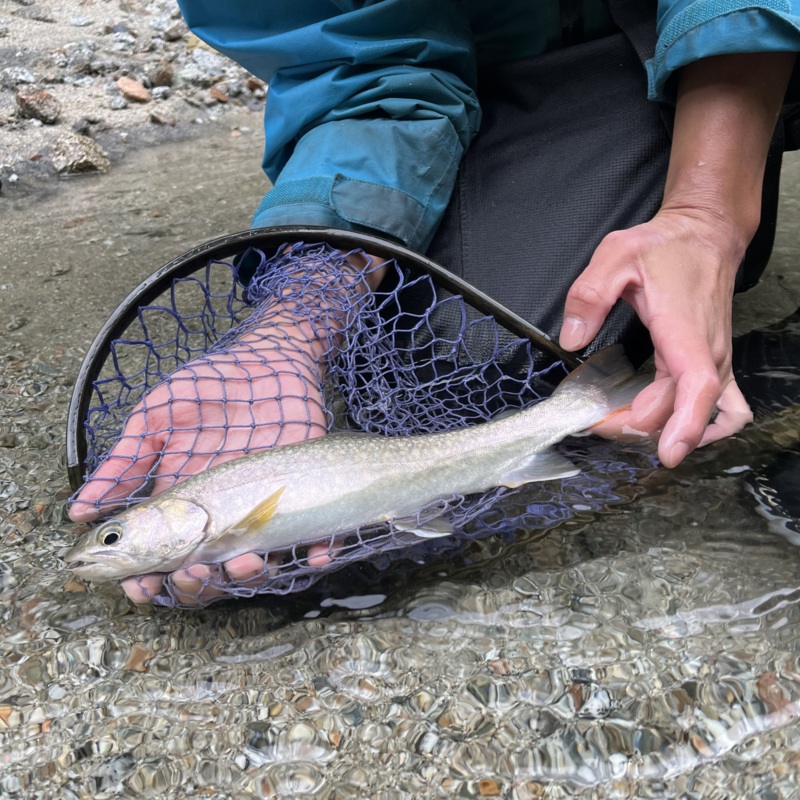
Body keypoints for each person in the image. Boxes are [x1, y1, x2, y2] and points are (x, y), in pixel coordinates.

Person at [69, 0, 799, 604]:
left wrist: (708, 214)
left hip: (656, 48)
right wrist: (290, 331)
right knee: (459, 362)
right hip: (496, 72)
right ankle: (579, 405)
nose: (104, 549)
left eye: (113, 537)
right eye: (114, 538)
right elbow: (363, 68)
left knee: (500, 351)